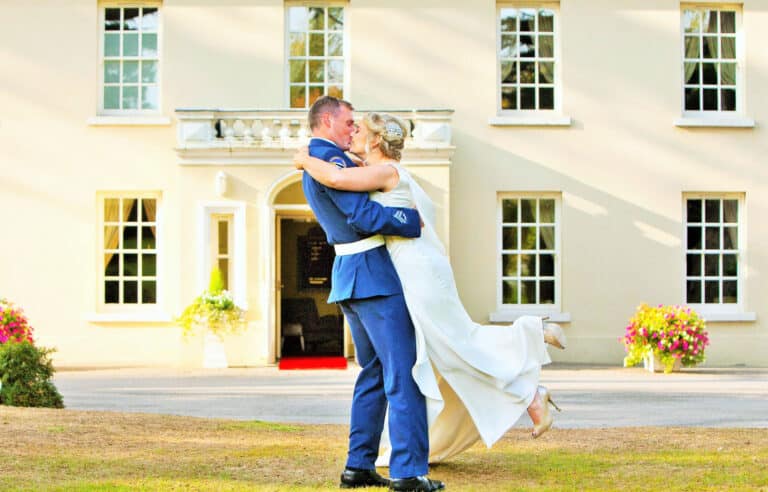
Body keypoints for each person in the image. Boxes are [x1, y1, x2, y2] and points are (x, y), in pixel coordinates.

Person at [294, 111, 567, 465]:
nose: (353, 133)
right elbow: (345, 175)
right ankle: (530, 393)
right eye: (351, 125)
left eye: (359, 129)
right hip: (411, 268)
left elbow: (336, 178)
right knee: (445, 348)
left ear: (375, 141)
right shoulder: (379, 169)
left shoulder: (383, 172)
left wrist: (304, 158)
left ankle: (532, 333)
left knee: (455, 341)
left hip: (417, 271)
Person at [301, 97, 444, 491]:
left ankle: (359, 465)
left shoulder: (323, 160)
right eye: (348, 123)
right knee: (404, 372)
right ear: (327, 121)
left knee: (375, 372)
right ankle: (408, 472)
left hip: (351, 275)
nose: (353, 130)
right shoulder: (334, 164)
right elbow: (363, 217)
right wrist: (411, 220)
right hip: (374, 277)